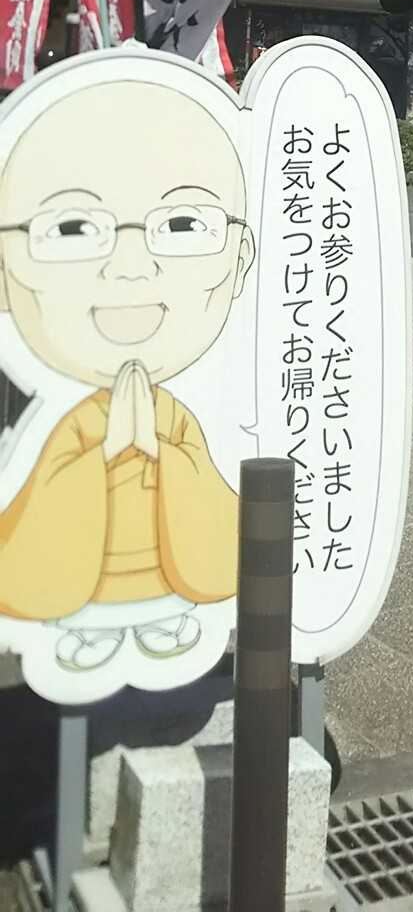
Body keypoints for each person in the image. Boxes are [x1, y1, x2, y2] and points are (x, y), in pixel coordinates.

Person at [0, 64, 253, 677]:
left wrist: (166, 452)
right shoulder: (74, 420)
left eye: (183, 224)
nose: (131, 267)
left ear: (241, 256)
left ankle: (165, 614)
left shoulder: (177, 415)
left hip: (170, 573)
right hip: (87, 577)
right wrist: (106, 452)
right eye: (72, 227)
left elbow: (208, 487)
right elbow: (41, 501)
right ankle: (87, 625)